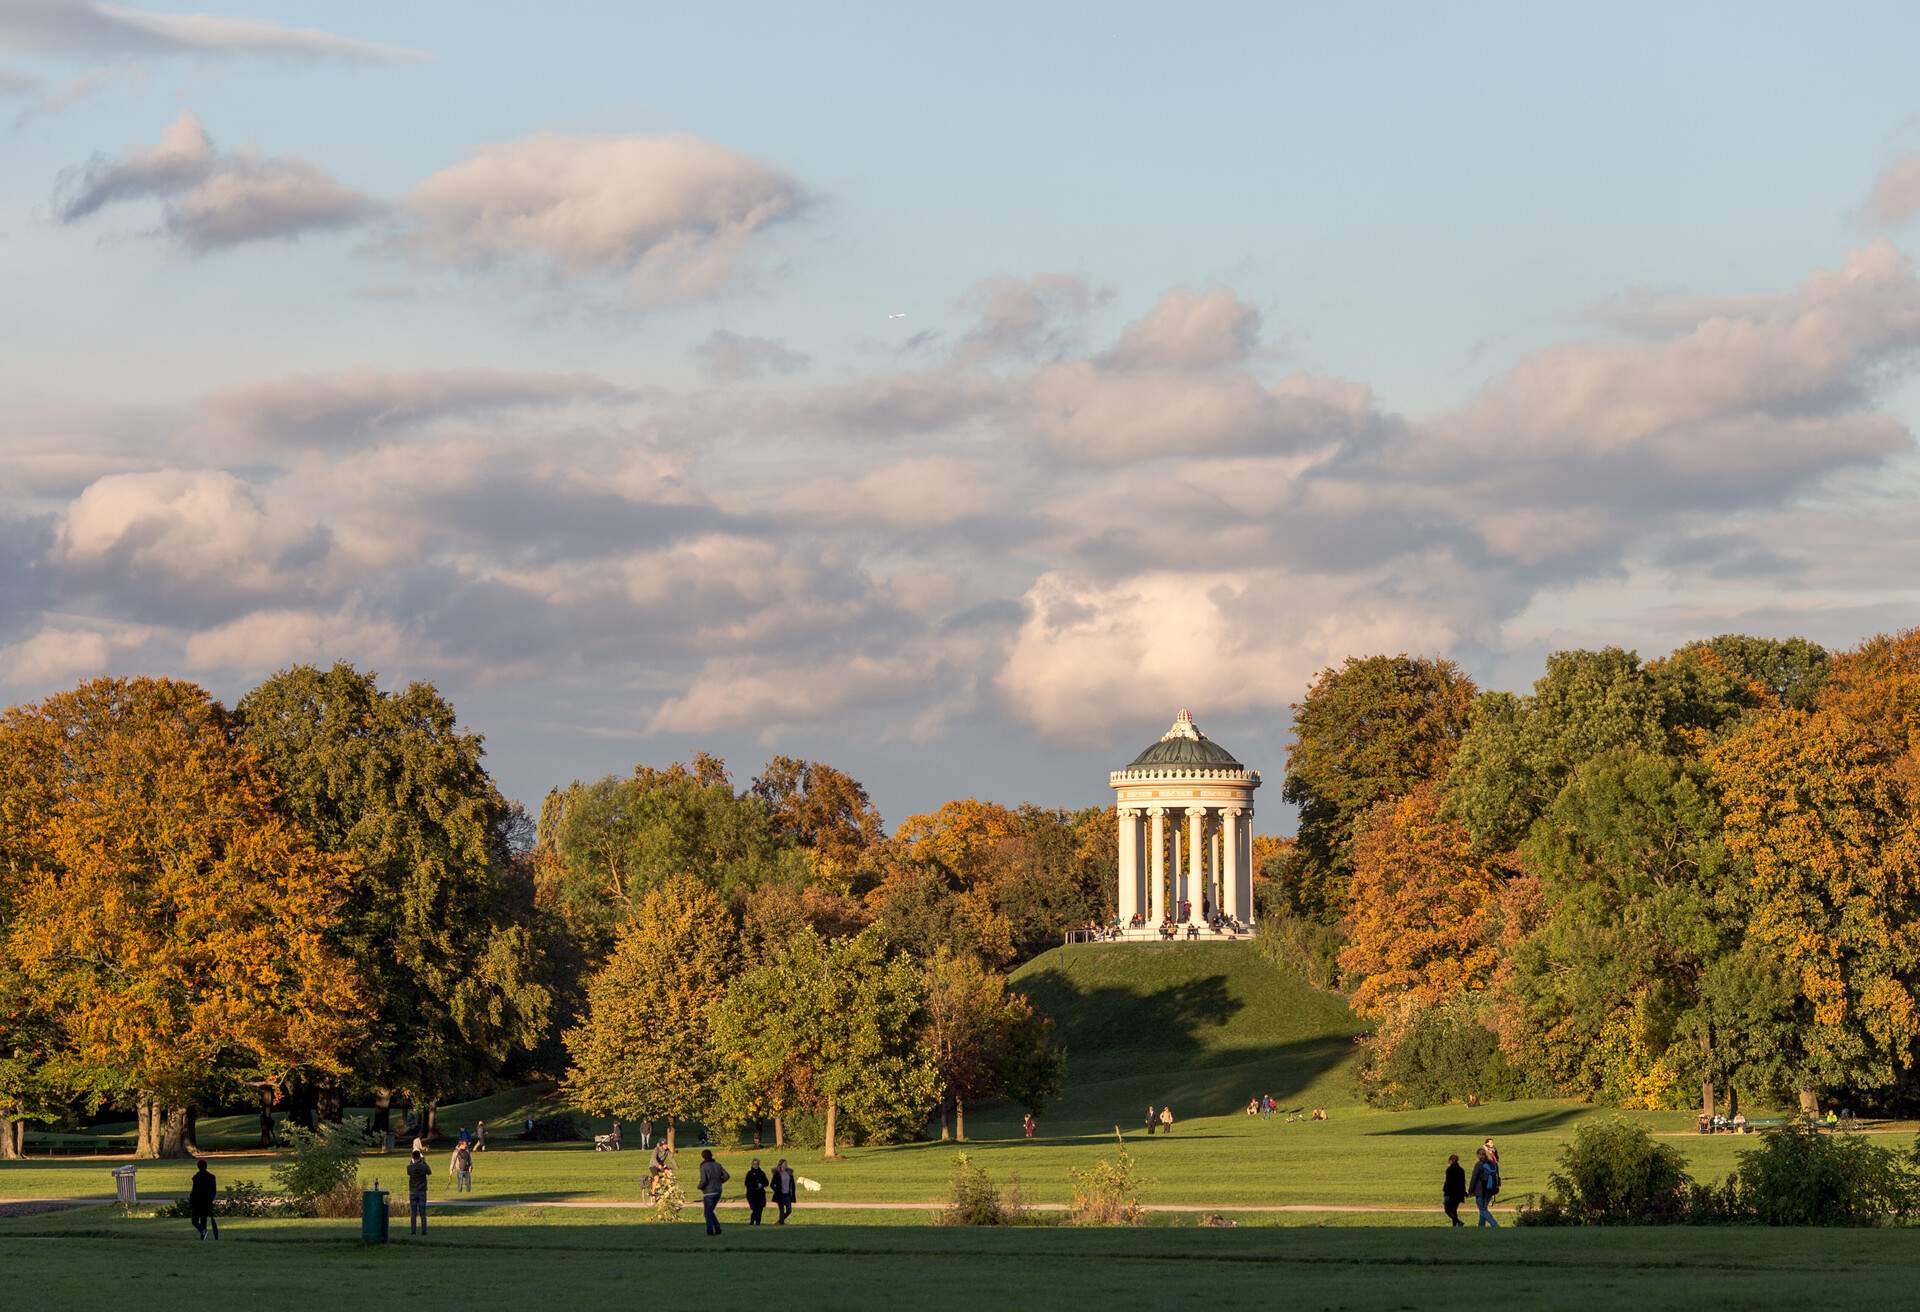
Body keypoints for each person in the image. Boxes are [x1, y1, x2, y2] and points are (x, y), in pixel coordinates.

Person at [697, 1148, 729, 1236]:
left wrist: (700, 1187)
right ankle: (718, 1228)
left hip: (708, 1192)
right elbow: (727, 1175)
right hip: (718, 1191)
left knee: (707, 1212)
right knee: (710, 1211)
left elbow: (703, 1180)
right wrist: (720, 1181)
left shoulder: (703, 1166)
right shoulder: (718, 1165)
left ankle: (710, 1231)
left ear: (703, 1157)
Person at [188, 1159, 219, 1240]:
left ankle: (203, 1232)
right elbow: (213, 1191)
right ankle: (203, 1236)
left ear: (198, 1167)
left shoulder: (196, 1177)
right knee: (203, 1220)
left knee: (194, 1221)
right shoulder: (212, 1177)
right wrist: (210, 1200)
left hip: (197, 1202)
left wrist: (191, 1202)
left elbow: (194, 1191)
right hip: (207, 1202)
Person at [1469, 1146, 1500, 1227]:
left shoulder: (1479, 1164)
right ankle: (1481, 1226)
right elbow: (1497, 1176)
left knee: (1482, 1210)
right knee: (1484, 1208)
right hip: (1491, 1190)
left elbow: (1474, 1178)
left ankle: (1495, 1224)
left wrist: (1470, 1191)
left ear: (1478, 1155)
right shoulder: (1493, 1163)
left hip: (1480, 1190)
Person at [406, 1148, 431, 1234]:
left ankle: (413, 1231)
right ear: (420, 1157)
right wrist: (423, 1161)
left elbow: (409, 1172)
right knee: (423, 1213)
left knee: (413, 1213)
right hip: (422, 1191)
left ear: (412, 1157)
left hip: (413, 1191)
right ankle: (424, 1231)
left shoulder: (409, 1167)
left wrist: (412, 1161)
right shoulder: (424, 1166)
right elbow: (429, 1172)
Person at [1442, 1154, 1466, 1227]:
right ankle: (1455, 1225)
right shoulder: (1461, 1170)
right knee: (1454, 1210)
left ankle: (1458, 1222)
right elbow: (1463, 1182)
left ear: (1452, 1160)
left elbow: (1448, 1182)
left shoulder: (1449, 1170)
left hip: (1450, 1193)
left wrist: (1445, 1190)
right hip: (1459, 1194)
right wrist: (1463, 1192)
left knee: (1447, 1210)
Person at [744, 1157, 770, 1225]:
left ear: (759, 1164)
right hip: (752, 1194)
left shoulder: (762, 1173)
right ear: (752, 1164)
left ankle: (758, 1223)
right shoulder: (749, 1173)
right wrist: (755, 1185)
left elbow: (766, 1182)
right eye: (754, 1164)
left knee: (760, 1209)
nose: (755, 1165)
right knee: (755, 1209)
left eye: (757, 1164)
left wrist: (761, 1185)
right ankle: (752, 1221)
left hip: (760, 1194)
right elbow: (747, 1183)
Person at [771, 1158, 797, 1224]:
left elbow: (792, 1184)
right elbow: (772, 1184)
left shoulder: (789, 1173)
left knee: (789, 1210)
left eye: (786, 1164)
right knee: (781, 1210)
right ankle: (781, 1223)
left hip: (787, 1194)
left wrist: (792, 1192)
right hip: (780, 1195)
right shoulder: (777, 1174)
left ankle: (779, 1221)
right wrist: (776, 1190)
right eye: (784, 1164)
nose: (786, 1165)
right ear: (780, 1165)